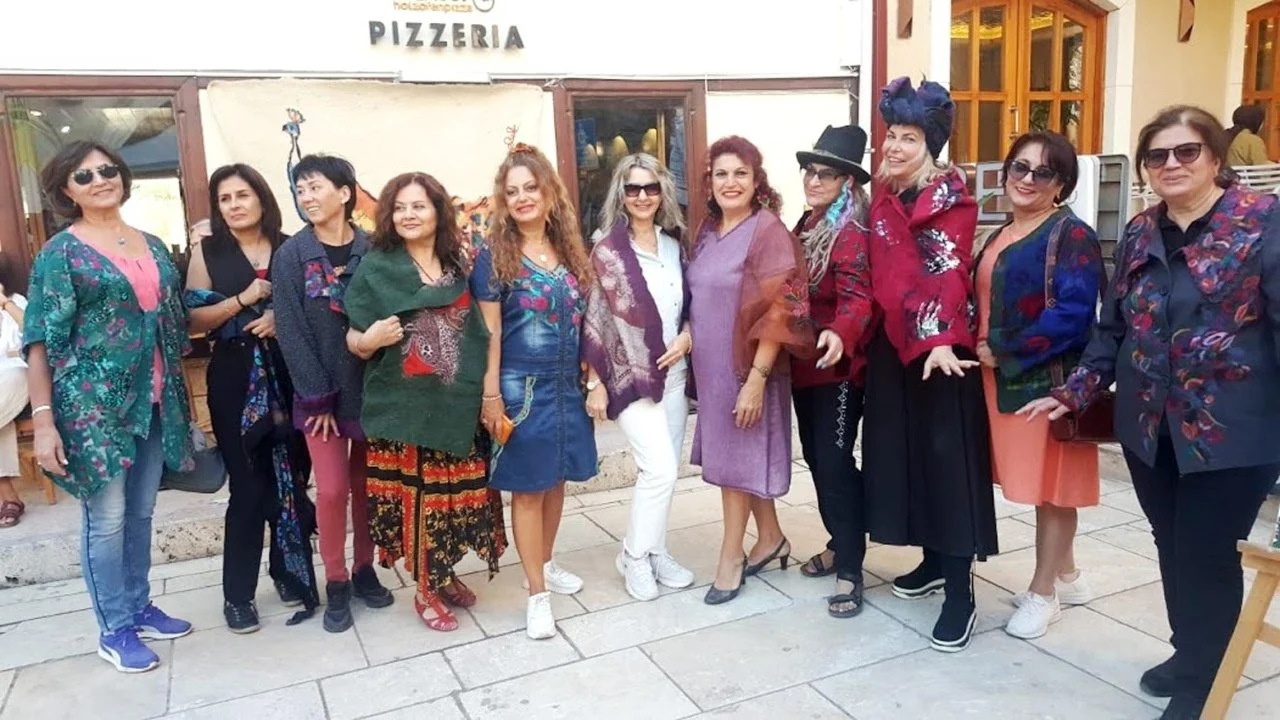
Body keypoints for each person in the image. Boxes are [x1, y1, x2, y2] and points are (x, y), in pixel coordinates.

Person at [1020, 105, 1280, 720]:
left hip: (1232, 432)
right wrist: (1075, 391)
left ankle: (1202, 683)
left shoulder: (1263, 224)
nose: (1172, 164)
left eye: (1187, 151)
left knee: (1207, 553)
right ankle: (1191, 652)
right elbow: (1113, 328)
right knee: (1171, 542)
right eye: (1158, 155)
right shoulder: (1141, 230)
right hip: (1149, 426)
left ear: (1215, 157)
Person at [25, 141, 195, 672]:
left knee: (141, 511)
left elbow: (174, 318)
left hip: (155, 401)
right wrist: (44, 421)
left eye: (107, 170)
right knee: (107, 518)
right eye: (84, 175)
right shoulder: (60, 253)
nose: (100, 180)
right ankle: (114, 628)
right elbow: (39, 340)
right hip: (90, 409)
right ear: (66, 190)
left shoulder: (153, 245)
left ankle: (139, 606)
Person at [862, 77, 999, 653]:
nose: (895, 146)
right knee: (907, 457)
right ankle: (933, 561)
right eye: (892, 135)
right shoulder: (883, 197)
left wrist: (940, 338)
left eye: (909, 138)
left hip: (942, 353)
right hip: (894, 347)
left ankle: (960, 592)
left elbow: (947, 269)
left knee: (948, 469)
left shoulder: (952, 200)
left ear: (931, 146)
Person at [345, 172, 507, 632]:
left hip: (457, 406)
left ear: (438, 211)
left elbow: (483, 329)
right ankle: (425, 590)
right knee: (422, 501)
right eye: (399, 208)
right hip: (406, 412)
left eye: (418, 206)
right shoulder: (377, 268)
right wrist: (370, 339)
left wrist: (488, 393)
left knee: (454, 499)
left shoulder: (459, 263)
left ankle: (445, 572)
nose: (408, 215)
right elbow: (353, 338)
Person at [974, 132, 1103, 640]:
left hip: (1047, 385)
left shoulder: (1071, 236)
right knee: (1038, 485)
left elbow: (1073, 315)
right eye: (1020, 167)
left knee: (1053, 490)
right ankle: (1067, 575)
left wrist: (1003, 348)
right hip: (998, 381)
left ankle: (1044, 592)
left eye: (1043, 172)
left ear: (1062, 184)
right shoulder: (1001, 231)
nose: (1027, 179)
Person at [185, 164, 320, 632]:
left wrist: (283, 318)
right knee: (247, 487)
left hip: (293, 374)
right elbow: (193, 321)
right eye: (225, 199)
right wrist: (241, 300)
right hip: (235, 376)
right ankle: (238, 596)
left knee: (292, 478)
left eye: (242, 195)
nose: (235, 205)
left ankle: (288, 572)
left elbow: (319, 308)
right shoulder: (208, 252)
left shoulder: (293, 246)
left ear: (262, 197)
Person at [472, 143, 598, 639]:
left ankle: (543, 564)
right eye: (513, 191)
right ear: (503, 201)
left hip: (566, 386)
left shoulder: (569, 250)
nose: (523, 197)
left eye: (531, 187)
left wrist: (593, 376)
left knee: (557, 479)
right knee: (527, 490)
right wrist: (490, 396)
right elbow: (490, 333)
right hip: (520, 388)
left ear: (549, 193)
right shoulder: (493, 257)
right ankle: (536, 595)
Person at [685, 135, 813, 606]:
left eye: (741, 173)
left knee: (735, 464)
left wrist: (756, 380)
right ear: (710, 181)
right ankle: (771, 538)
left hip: (747, 369)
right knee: (738, 457)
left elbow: (784, 308)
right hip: (712, 370)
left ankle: (731, 556)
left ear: (757, 180)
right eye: (721, 174)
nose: (730, 182)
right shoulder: (708, 230)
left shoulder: (767, 231)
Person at [273, 154, 394, 634]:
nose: (306, 197)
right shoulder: (291, 256)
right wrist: (317, 396)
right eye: (300, 189)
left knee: (366, 488)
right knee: (331, 490)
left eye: (315, 187)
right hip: (319, 397)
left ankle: (364, 569)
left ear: (344, 193)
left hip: (370, 390)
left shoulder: (374, 249)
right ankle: (337, 580)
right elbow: (290, 331)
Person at [581, 153, 696, 602]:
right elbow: (595, 318)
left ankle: (655, 551)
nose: (643, 196)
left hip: (675, 374)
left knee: (666, 473)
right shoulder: (607, 251)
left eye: (651, 187)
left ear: (663, 191)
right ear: (622, 195)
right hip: (629, 377)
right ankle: (632, 555)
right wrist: (595, 383)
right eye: (633, 189)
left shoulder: (674, 245)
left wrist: (687, 337)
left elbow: (690, 305)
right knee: (659, 469)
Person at [790, 125, 875, 618]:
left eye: (826, 173)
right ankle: (841, 541)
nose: (814, 180)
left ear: (848, 182)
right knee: (818, 460)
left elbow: (858, 297)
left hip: (839, 370)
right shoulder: (807, 224)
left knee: (835, 463)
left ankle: (851, 568)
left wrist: (841, 332)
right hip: (805, 367)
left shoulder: (851, 233)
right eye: (810, 170)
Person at [0, 277, 29, 528]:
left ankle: (9, 497)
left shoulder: (16, 301)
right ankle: (9, 497)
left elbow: (31, 332)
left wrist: (4, 303)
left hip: (19, 375)